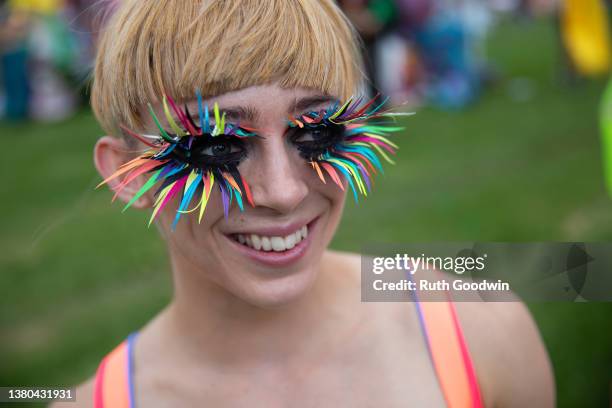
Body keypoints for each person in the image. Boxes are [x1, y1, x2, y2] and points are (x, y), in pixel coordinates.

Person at [52, 0, 555, 406]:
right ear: (123, 173)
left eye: (316, 131)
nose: (284, 191)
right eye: (216, 147)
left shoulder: (480, 326)